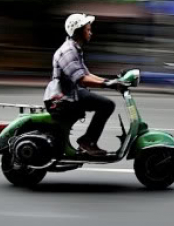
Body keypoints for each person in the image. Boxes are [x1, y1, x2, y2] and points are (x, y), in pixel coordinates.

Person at [43, 14, 122, 157]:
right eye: (88, 29)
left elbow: (87, 74)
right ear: (78, 31)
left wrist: (112, 82)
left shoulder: (75, 49)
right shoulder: (68, 51)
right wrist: (108, 84)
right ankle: (87, 142)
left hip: (70, 94)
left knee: (106, 104)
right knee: (107, 105)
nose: (90, 32)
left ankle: (87, 141)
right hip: (63, 98)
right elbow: (82, 79)